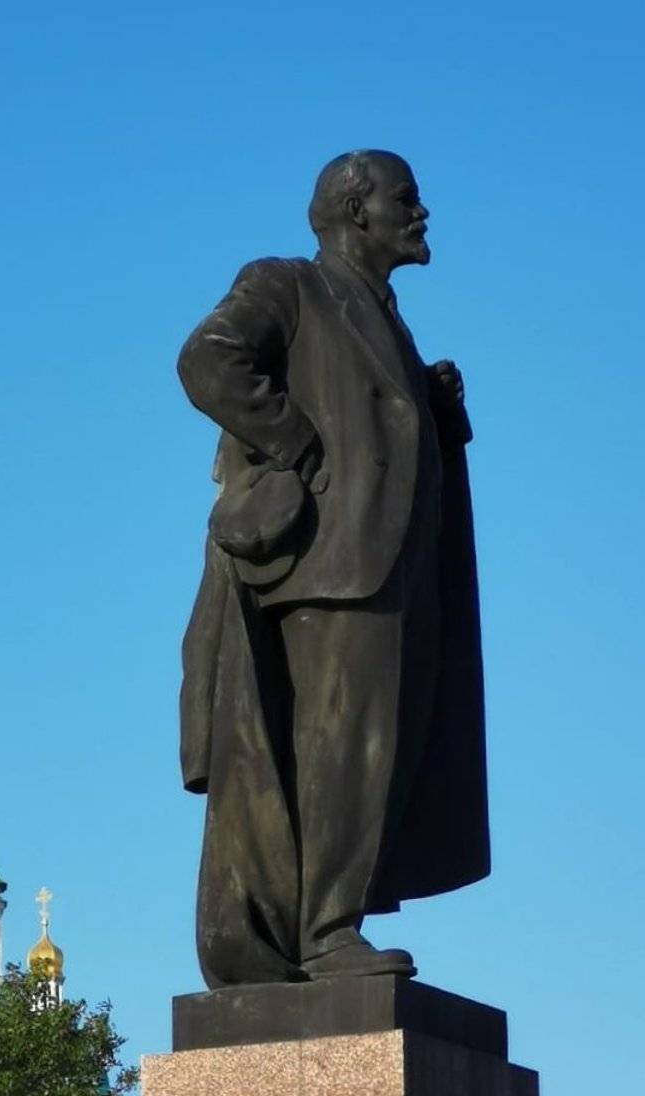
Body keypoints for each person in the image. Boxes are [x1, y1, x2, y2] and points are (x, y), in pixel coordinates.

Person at [178, 150, 489, 986]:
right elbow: (207, 358)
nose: (420, 213)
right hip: (330, 563)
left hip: (392, 567)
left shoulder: (385, 316)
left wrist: (433, 408)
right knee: (342, 748)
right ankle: (323, 931)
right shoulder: (288, 284)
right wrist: (299, 445)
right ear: (356, 211)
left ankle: (324, 924)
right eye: (405, 198)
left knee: (379, 752)